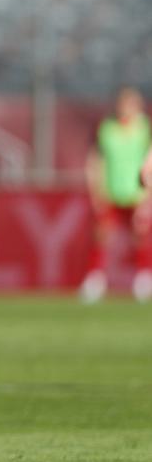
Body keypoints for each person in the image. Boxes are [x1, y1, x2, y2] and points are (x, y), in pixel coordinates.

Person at [80, 86, 151, 303]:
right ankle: (95, 280)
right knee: (102, 235)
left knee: (140, 236)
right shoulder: (107, 128)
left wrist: (148, 197)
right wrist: (95, 190)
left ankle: (143, 279)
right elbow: (95, 160)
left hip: (137, 193)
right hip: (110, 191)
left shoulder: (144, 128)